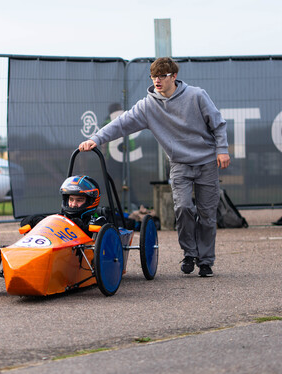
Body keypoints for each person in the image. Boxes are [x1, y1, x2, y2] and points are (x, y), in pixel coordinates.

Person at [79, 57, 230, 277]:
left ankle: (205, 261)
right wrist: (97, 138)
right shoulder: (148, 105)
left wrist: (222, 150)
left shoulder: (196, 95)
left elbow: (218, 123)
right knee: (183, 208)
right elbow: (122, 123)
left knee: (207, 214)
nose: (157, 80)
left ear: (174, 76)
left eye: (162, 76)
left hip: (206, 161)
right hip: (179, 163)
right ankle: (189, 253)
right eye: (154, 76)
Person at [20, 175, 106, 236]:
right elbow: (25, 222)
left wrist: (81, 227)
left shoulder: (97, 219)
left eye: (79, 200)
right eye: (71, 199)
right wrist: (38, 221)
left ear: (90, 201)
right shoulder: (63, 217)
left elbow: (103, 228)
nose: (73, 204)